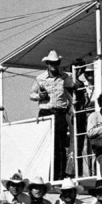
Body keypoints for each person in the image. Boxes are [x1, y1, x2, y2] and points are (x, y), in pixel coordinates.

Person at [29, 50, 75, 180]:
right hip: (46, 112)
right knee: (46, 145)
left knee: (60, 145)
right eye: (52, 63)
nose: (54, 65)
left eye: (56, 63)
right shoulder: (40, 78)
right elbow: (31, 94)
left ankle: (59, 176)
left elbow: (72, 87)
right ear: (47, 64)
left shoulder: (65, 78)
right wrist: (40, 96)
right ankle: (47, 174)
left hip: (60, 113)